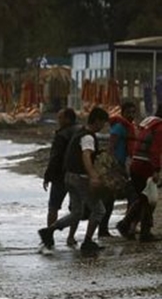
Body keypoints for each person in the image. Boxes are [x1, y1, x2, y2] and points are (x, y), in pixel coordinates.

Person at [39, 107, 109, 255]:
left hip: (69, 177)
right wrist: (93, 176)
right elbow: (86, 156)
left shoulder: (79, 132)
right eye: (102, 123)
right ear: (97, 120)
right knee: (99, 210)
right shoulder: (88, 137)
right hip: (80, 178)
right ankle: (88, 241)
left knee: (77, 212)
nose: (103, 126)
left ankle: (49, 230)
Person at [118, 104, 162, 242]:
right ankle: (140, 230)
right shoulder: (160, 128)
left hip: (136, 164)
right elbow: (155, 151)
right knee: (148, 200)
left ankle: (129, 226)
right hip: (145, 166)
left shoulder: (149, 122)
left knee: (142, 198)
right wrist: (156, 170)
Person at [102, 101, 137, 236]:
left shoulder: (129, 127)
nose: (132, 115)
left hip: (125, 166)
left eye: (134, 112)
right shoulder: (119, 127)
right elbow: (111, 146)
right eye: (129, 112)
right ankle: (120, 226)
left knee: (113, 199)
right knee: (115, 198)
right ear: (123, 113)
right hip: (117, 167)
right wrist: (112, 165)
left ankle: (109, 228)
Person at [42, 108, 78, 234]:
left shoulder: (62, 135)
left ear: (68, 119)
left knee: (53, 207)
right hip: (77, 174)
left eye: (60, 118)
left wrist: (47, 175)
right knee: (76, 209)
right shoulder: (81, 132)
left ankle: (49, 235)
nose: (58, 121)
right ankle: (71, 237)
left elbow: (55, 157)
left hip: (60, 176)